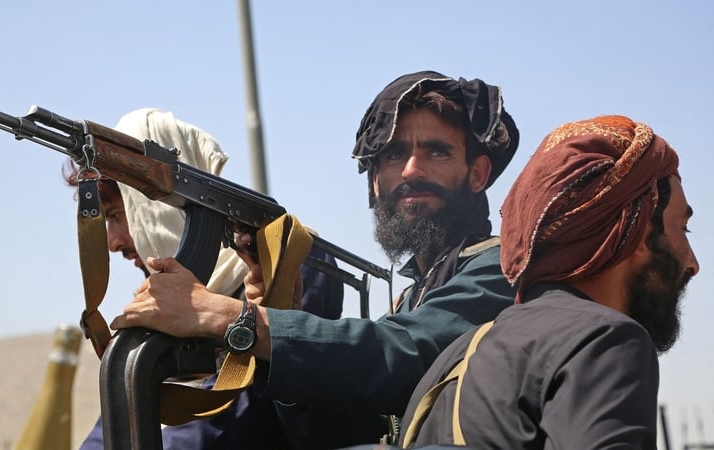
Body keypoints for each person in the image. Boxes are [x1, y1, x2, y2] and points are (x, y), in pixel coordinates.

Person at [110, 71, 520, 448]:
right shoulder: (415, 296)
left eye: (437, 152)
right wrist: (281, 313)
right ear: (375, 182)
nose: (412, 170)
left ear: (478, 173)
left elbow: (405, 349)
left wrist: (229, 317)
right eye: (394, 155)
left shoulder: (500, 269)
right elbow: (348, 431)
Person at [396, 115, 700, 449]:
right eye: (681, 230)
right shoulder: (605, 340)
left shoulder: (453, 357)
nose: (692, 263)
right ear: (639, 231)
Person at [64, 108, 344, 449]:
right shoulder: (164, 308)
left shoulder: (293, 264)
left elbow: (220, 428)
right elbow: (118, 421)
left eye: (119, 215)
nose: (114, 242)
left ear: (156, 207)